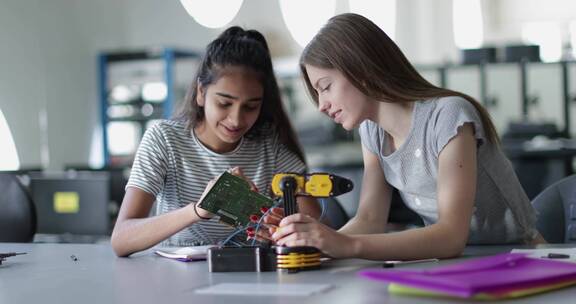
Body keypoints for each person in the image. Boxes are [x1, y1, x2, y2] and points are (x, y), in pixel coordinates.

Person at [271, 13, 545, 261]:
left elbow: (450, 237)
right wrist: (316, 245)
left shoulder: (448, 116)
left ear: (361, 70)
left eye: (326, 87)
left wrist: (343, 244)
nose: (321, 105)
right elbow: (369, 220)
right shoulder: (372, 131)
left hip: (517, 256)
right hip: (455, 262)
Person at [111, 26, 320, 257]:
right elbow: (121, 239)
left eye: (251, 106)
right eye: (224, 103)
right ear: (201, 92)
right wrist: (201, 209)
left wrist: (278, 226)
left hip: (252, 279)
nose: (236, 119)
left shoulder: (269, 147)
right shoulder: (164, 140)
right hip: (175, 282)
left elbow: (316, 225)